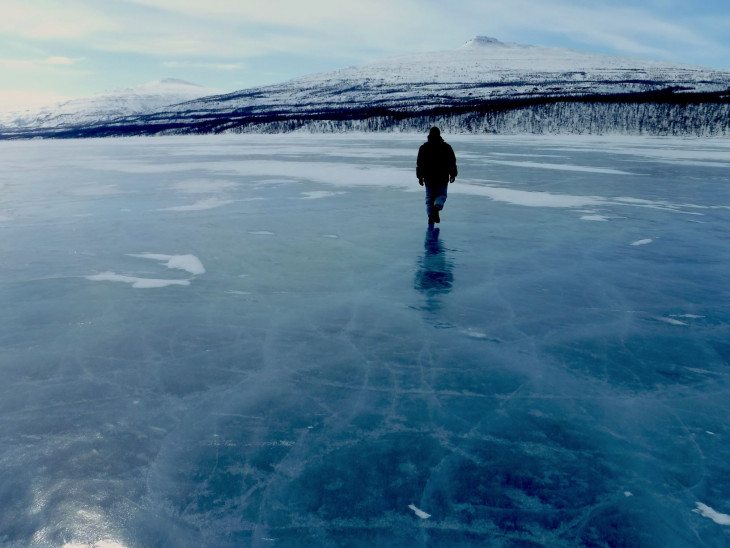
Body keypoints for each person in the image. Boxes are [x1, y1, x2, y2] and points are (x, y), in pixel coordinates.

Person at [416, 127, 457, 224]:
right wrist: (453, 174)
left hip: (428, 178)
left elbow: (420, 164)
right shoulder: (446, 147)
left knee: (430, 197)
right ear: (439, 134)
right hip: (442, 177)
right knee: (441, 195)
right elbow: (452, 162)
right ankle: (436, 209)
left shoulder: (423, 148)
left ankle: (431, 216)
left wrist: (420, 177)